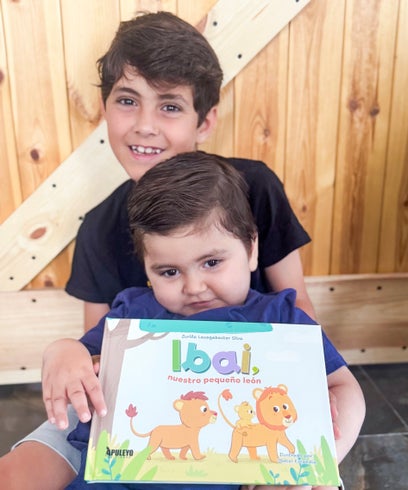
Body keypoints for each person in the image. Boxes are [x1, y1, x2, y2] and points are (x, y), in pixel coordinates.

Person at [0, 11, 320, 489]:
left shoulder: (254, 188)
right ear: (104, 109)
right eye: (128, 101)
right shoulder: (99, 228)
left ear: (205, 121)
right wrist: (63, 354)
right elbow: (102, 357)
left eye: (169, 106)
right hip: (125, 410)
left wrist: (308, 410)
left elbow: (301, 310)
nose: (145, 126)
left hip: (245, 404)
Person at [42, 152, 365, 490]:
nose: (194, 287)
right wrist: (63, 351)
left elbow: (346, 388)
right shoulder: (133, 317)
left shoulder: (282, 320)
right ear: (147, 268)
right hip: (118, 480)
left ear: (251, 250)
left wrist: (322, 464)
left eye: (211, 263)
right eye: (169, 272)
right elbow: (81, 358)